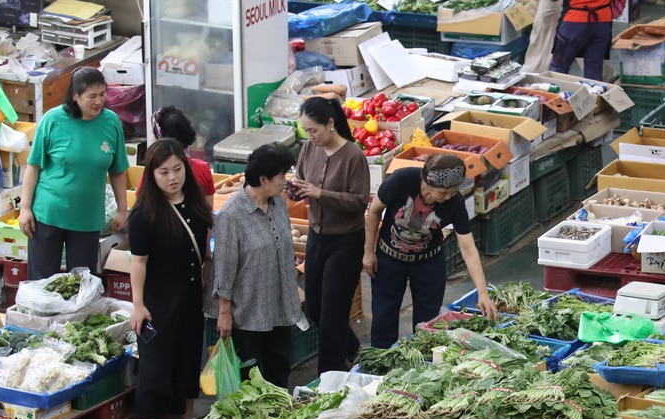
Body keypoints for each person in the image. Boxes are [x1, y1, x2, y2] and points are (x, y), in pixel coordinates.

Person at [124, 140, 215, 419]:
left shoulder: (195, 207)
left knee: (188, 358)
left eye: (178, 169)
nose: (173, 177)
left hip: (190, 297)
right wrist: (138, 304)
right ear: (152, 174)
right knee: (155, 366)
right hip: (158, 302)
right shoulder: (144, 215)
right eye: (164, 172)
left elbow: (204, 251)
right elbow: (139, 263)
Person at [364, 153, 495, 348]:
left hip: (428, 264)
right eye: (444, 193)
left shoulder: (455, 202)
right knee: (384, 317)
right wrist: (369, 251)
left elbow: (468, 249)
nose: (448, 197)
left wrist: (482, 292)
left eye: (453, 192)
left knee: (428, 322)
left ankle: (421, 362)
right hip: (390, 259)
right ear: (427, 181)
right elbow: (374, 212)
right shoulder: (401, 181)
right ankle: (379, 365)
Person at [21, 67, 129, 280]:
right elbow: (33, 166)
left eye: (102, 94)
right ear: (75, 96)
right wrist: (25, 208)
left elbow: (118, 171)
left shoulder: (111, 122)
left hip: (87, 220)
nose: (98, 101)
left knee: (82, 283)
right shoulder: (53, 120)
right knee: (41, 283)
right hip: (48, 215)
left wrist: (122, 209)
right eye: (91, 96)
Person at [291, 97, 370, 375]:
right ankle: (353, 350)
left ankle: (328, 377)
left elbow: (360, 202)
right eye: (306, 131)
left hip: (345, 242)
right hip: (315, 237)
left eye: (314, 130)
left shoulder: (353, 156)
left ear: (331, 124)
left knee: (333, 315)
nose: (310, 137)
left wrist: (321, 194)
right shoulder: (308, 150)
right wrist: (297, 190)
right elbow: (302, 180)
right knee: (314, 306)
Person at [212, 143, 300, 389]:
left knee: (279, 365)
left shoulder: (278, 202)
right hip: (248, 311)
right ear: (263, 179)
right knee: (252, 375)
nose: (285, 180)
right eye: (281, 176)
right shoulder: (233, 214)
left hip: (280, 306)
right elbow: (225, 265)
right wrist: (224, 311)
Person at [140, 106, 214, 204]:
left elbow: (140, 202)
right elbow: (208, 210)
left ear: (160, 141)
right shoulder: (203, 168)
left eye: (177, 169)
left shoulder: (155, 172)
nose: (172, 177)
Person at [549, 0, 613, 82]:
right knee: (594, 70)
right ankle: (594, 93)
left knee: (559, 68)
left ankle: (556, 92)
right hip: (603, 20)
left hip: (575, 21)